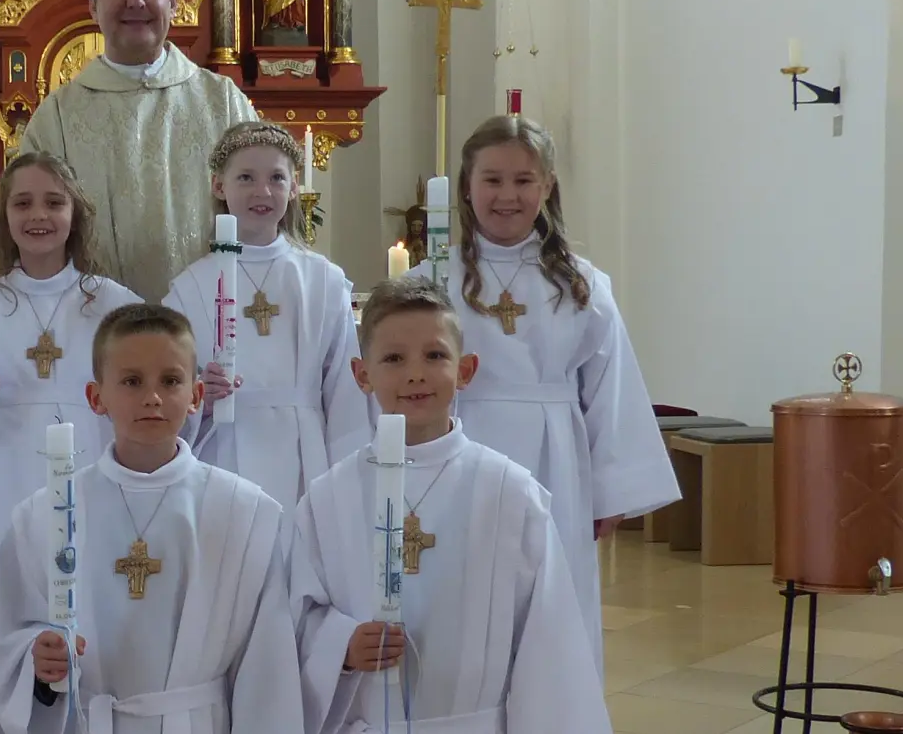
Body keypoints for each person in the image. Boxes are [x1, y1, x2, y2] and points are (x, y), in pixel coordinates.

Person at [406, 114, 679, 665]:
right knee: (461, 596)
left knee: (549, 602)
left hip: (555, 463)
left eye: (523, 180)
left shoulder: (580, 284)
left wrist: (613, 491)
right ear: (466, 186)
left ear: (548, 185)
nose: (507, 195)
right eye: (492, 180)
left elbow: (611, 387)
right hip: (456, 455)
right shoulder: (429, 281)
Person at [290, 277, 612, 733]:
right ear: (362, 375)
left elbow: (549, 643)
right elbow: (297, 617)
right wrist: (340, 646)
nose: (415, 374)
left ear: (466, 369)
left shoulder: (509, 494)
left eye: (435, 355)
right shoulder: (328, 498)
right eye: (394, 359)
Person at [0, 303, 304, 734]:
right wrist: (37, 659)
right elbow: (9, 634)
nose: (152, 397)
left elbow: (268, 669)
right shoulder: (44, 515)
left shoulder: (242, 513)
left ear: (197, 396)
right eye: (131, 381)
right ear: (96, 398)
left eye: (170, 381)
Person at [19, 0, 259, 300]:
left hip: (211, 319)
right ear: (93, 7)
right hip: (95, 324)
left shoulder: (223, 103)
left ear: (174, 4)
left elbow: (263, 213)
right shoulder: (58, 118)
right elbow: (33, 230)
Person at [0, 152, 139, 549]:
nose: (39, 215)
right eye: (23, 203)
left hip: (94, 478)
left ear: (75, 215)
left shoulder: (114, 305)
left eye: (54, 202)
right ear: (4, 216)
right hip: (3, 483)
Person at [164, 122, 372, 508]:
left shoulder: (322, 280)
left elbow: (345, 390)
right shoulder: (191, 287)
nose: (262, 192)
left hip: (305, 454)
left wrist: (348, 480)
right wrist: (196, 398)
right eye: (245, 177)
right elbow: (169, 383)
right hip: (223, 451)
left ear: (294, 188)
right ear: (219, 186)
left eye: (277, 178)